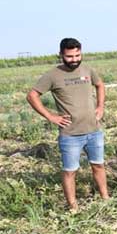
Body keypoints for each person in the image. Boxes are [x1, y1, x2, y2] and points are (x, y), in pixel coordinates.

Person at [26, 38, 110, 211]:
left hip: (94, 130)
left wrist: (100, 106)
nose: (74, 60)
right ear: (61, 54)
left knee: (98, 165)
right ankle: (73, 207)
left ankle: (105, 198)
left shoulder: (87, 69)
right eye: (70, 56)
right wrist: (50, 116)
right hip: (70, 134)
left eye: (77, 55)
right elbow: (32, 95)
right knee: (70, 171)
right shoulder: (52, 75)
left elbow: (100, 85)